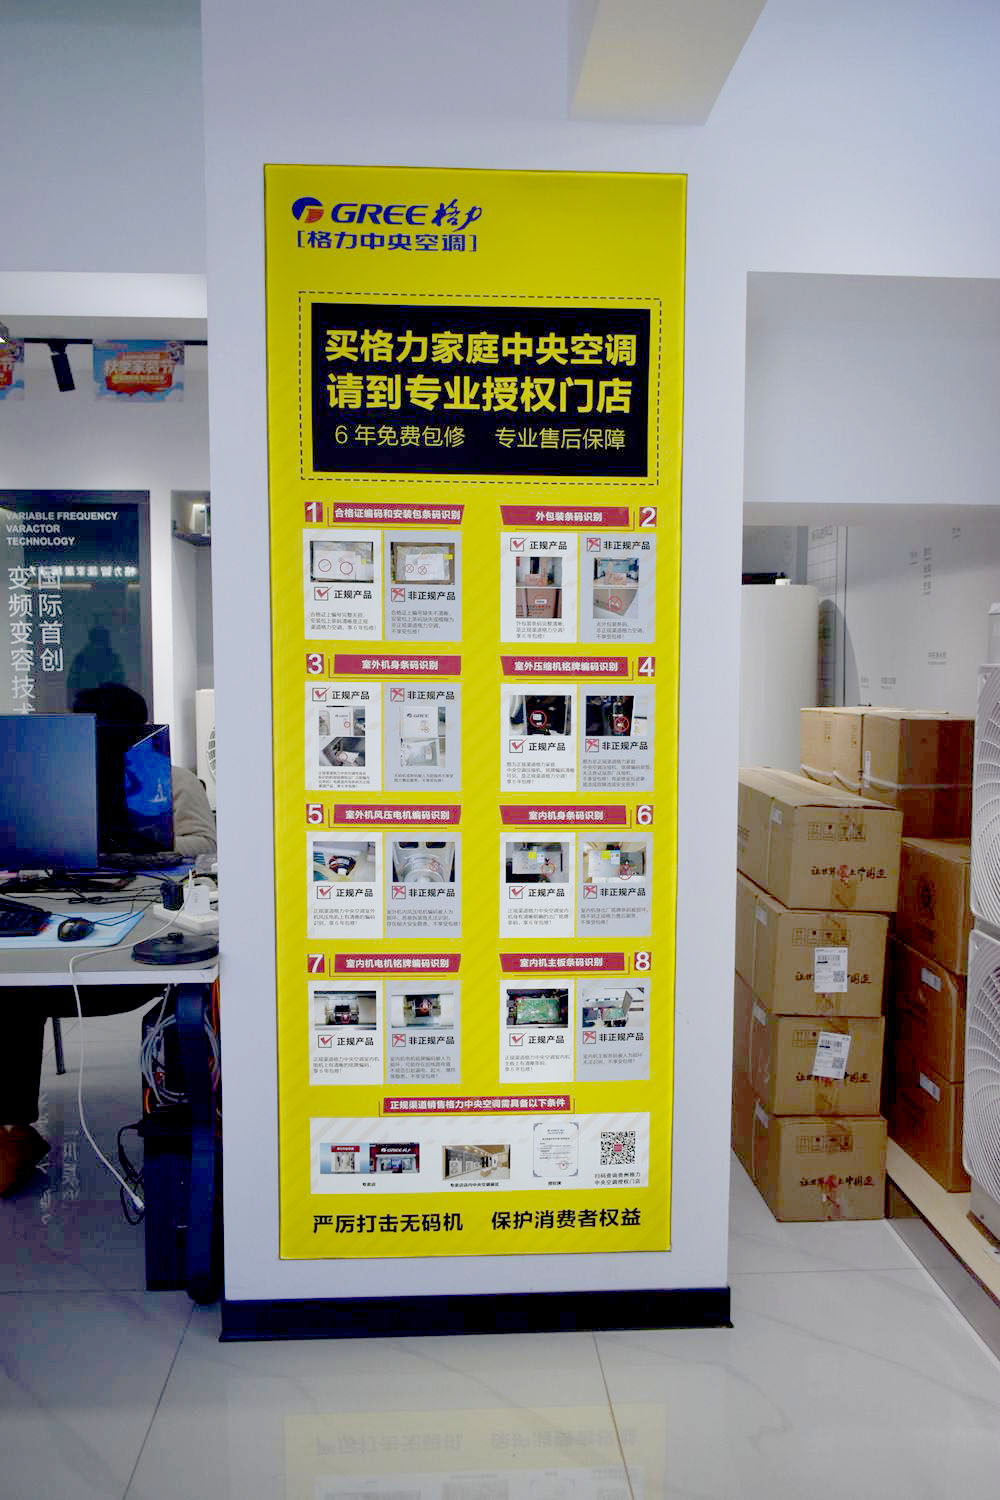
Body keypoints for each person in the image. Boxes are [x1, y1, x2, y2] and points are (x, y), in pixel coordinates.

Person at [0, 685, 217, 1196]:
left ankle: (179, 1121)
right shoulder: (56, 784)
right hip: (61, 925)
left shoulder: (170, 781)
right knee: (10, 991)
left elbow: (204, 843)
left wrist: (130, 846)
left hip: (131, 945)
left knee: (184, 992)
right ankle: (11, 1128)